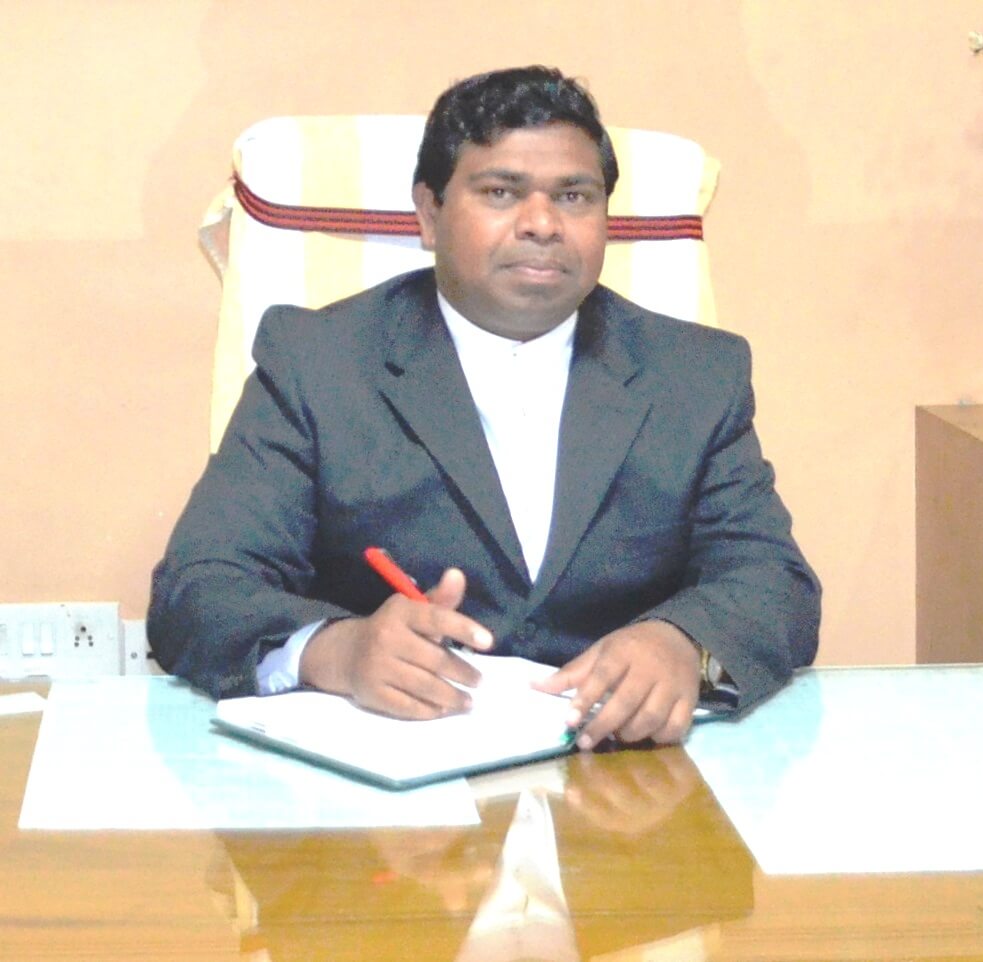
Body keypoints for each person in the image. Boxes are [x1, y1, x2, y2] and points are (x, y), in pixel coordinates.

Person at [148, 65, 820, 749]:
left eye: (574, 196)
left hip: (626, 775)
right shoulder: (317, 361)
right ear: (429, 214)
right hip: (388, 781)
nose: (541, 223)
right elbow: (200, 587)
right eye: (500, 191)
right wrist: (337, 651)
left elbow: (773, 581)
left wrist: (684, 644)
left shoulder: (694, 373)